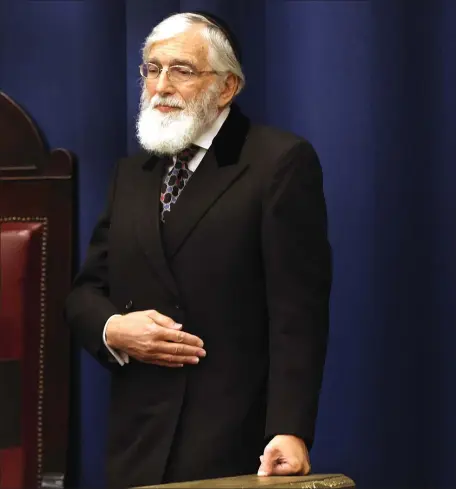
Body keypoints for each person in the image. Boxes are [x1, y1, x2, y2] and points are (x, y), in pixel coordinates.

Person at [65, 11, 332, 489]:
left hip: (233, 439)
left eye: (181, 70)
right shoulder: (133, 174)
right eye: (152, 68)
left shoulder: (278, 163)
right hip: (138, 439)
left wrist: (289, 429)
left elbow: (299, 312)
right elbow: (86, 292)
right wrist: (113, 328)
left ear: (226, 88)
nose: (161, 84)